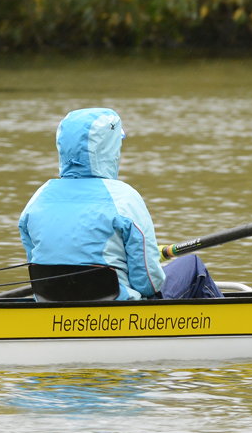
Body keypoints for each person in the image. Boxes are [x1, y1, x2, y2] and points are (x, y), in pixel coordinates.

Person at [19, 107, 221, 300]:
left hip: (50, 301)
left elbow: (38, 264)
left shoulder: (38, 197)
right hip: (117, 308)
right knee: (193, 266)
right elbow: (149, 284)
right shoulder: (124, 198)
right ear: (109, 148)